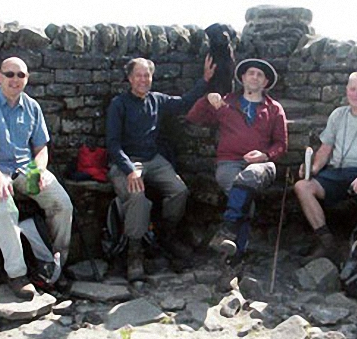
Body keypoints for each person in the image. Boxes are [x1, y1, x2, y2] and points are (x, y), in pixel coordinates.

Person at [0, 57, 73, 300]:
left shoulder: (32, 106)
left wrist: (40, 170)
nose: (14, 79)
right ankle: (16, 274)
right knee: (3, 208)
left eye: (20, 75)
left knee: (62, 204)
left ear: (27, 78)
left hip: (24, 168)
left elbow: (41, 147)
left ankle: (54, 263)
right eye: (9, 74)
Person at [106, 56, 214, 282]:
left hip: (153, 159)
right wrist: (129, 170)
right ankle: (134, 252)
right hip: (126, 162)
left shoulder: (158, 100)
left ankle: (166, 234)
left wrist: (204, 81)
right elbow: (113, 144)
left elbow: (185, 102)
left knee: (179, 190)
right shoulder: (119, 104)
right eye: (139, 75)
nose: (143, 80)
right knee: (137, 196)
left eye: (147, 75)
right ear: (130, 78)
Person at [187, 58, 288, 260]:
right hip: (228, 163)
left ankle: (227, 229)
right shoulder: (226, 103)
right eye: (251, 73)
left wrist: (265, 155)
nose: (254, 77)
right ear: (242, 77)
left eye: (260, 75)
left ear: (265, 82)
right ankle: (237, 253)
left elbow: (281, 145)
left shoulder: (274, 108)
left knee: (249, 176)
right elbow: (193, 117)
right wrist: (207, 99)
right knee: (244, 199)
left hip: (262, 165)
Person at [294, 72, 357, 264]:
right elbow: (325, 149)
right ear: (347, 90)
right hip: (336, 172)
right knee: (302, 186)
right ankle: (326, 242)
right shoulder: (338, 115)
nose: (356, 94)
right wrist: (313, 169)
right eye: (353, 89)